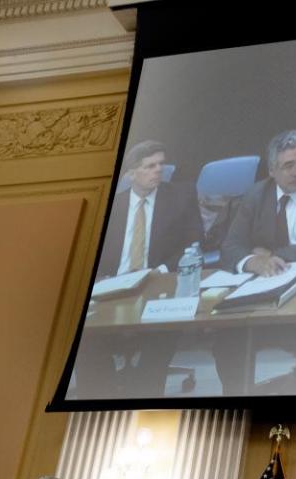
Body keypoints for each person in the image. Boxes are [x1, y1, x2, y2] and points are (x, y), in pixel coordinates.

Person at [213, 129, 296, 394]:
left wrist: (277, 256)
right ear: (272, 170)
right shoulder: (254, 195)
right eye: (288, 165)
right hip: (267, 285)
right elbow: (229, 247)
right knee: (227, 333)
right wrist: (253, 261)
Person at [75, 140, 203, 398]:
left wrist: (164, 269)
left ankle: (143, 396)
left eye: (161, 164)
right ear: (131, 173)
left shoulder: (180, 196)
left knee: (160, 339)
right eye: (150, 166)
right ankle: (101, 403)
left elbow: (194, 242)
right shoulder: (112, 205)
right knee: (84, 341)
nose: (158, 170)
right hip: (112, 287)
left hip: (158, 283)